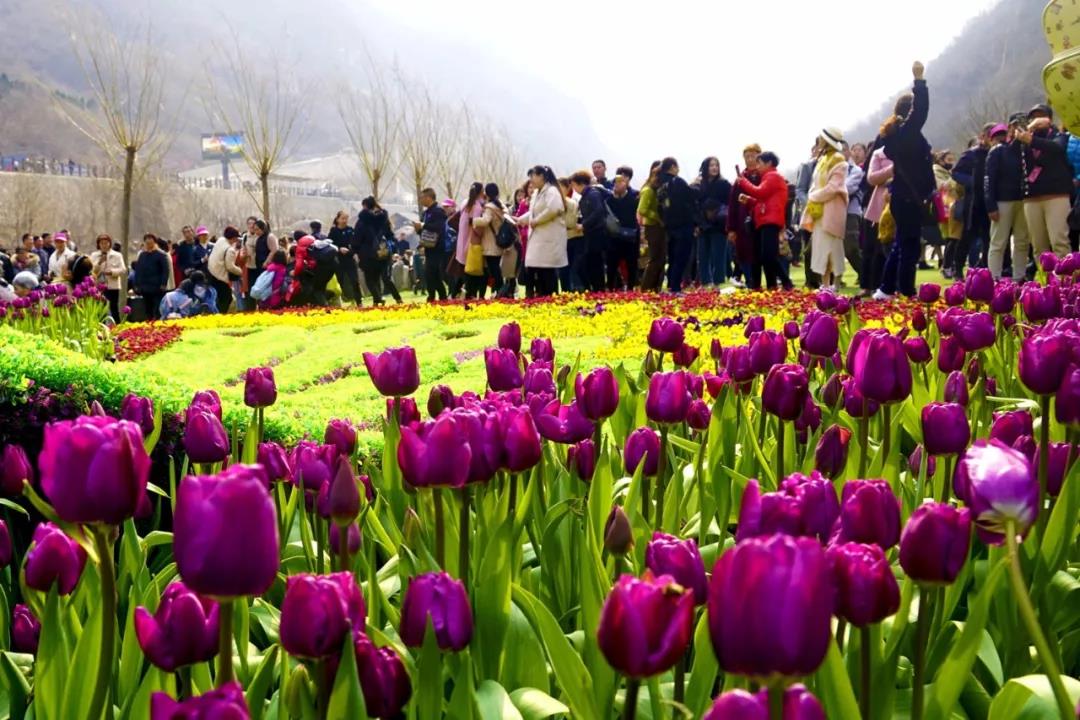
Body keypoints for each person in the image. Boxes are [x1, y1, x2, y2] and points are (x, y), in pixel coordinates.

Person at [875, 61, 934, 300]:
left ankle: (886, 289)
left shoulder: (895, 136)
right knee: (909, 246)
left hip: (902, 195)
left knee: (901, 244)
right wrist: (919, 81)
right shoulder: (907, 133)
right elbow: (921, 111)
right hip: (909, 198)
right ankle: (906, 290)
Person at [1015, 104, 1074, 258]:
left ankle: (1066, 280)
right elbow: (1010, 152)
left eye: (1042, 115)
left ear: (1050, 119)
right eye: (1034, 117)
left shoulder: (1058, 135)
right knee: (1038, 247)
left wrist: (1032, 140)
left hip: (1056, 196)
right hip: (1031, 198)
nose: (1038, 119)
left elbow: (1057, 148)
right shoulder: (1023, 138)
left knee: (1059, 242)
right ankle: (1044, 281)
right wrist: (1028, 131)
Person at [736, 151, 793, 290]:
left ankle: (785, 282)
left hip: (770, 220)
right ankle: (773, 285)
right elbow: (763, 198)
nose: (757, 166)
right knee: (766, 256)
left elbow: (760, 192)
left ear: (769, 163)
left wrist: (743, 181)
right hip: (766, 219)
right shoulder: (770, 177)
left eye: (759, 163)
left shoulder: (772, 176)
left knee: (768, 256)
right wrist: (749, 200)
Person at [802, 129, 850, 291]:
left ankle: (835, 284)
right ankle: (825, 283)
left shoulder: (839, 160)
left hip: (832, 209)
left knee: (834, 247)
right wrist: (813, 196)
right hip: (819, 211)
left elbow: (833, 188)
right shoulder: (823, 159)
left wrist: (814, 197)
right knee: (821, 246)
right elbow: (815, 184)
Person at [984, 122, 1029, 281]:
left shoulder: (1020, 149)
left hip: (1020, 200)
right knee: (999, 242)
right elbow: (989, 179)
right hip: (1002, 202)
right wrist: (991, 205)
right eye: (998, 135)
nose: (1000, 138)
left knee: (1021, 241)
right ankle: (994, 278)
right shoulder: (996, 152)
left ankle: (1019, 277)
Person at [515, 165, 567, 297]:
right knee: (537, 269)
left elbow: (553, 209)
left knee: (547, 270)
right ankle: (541, 297)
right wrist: (520, 219)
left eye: (533, 176)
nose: (531, 180)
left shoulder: (552, 191)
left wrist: (537, 221)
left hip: (549, 238)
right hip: (539, 239)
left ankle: (551, 296)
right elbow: (533, 212)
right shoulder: (537, 193)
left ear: (542, 176)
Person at [950, 124, 993, 276]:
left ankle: (987, 269)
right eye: (989, 135)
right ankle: (957, 268)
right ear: (983, 136)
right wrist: (973, 181)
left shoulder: (997, 152)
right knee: (967, 237)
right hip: (973, 202)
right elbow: (955, 173)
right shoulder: (971, 154)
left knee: (989, 237)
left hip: (991, 202)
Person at [655, 157, 695, 293]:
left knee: (672, 257)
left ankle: (671, 285)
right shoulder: (677, 181)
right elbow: (690, 198)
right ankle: (676, 287)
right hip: (683, 225)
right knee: (681, 257)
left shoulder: (660, 184)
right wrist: (694, 185)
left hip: (669, 226)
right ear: (673, 167)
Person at [356, 196, 402, 305]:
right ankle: (396, 299)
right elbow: (390, 236)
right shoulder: (383, 218)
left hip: (369, 254)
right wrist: (392, 248)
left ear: (365, 207)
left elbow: (357, 238)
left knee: (371, 279)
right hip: (383, 252)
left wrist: (356, 250)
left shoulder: (363, 221)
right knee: (385, 278)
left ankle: (378, 300)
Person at [694, 156, 732, 287]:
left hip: (719, 225)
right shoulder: (699, 184)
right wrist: (697, 223)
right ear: (705, 168)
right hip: (703, 225)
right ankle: (705, 283)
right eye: (711, 165)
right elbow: (695, 205)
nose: (714, 168)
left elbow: (730, 205)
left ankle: (718, 282)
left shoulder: (724, 184)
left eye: (716, 165)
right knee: (703, 257)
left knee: (718, 257)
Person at [862, 145, 895, 293]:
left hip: (903, 202)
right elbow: (872, 178)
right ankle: (869, 285)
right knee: (873, 248)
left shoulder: (910, 149)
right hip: (880, 205)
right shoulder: (878, 154)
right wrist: (892, 170)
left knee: (898, 248)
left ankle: (896, 286)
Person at [729, 145, 762, 288]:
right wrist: (731, 228)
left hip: (761, 219)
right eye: (747, 156)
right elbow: (732, 205)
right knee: (743, 253)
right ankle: (749, 281)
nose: (750, 159)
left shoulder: (764, 176)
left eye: (753, 156)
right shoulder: (739, 180)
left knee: (760, 252)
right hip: (743, 222)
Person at [574, 170, 612, 292]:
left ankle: (598, 289)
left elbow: (598, 212)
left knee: (595, 263)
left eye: (574, 185)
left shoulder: (593, 194)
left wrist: (584, 224)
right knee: (589, 263)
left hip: (597, 234)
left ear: (580, 183)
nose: (574, 189)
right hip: (590, 234)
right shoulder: (585, 196)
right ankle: (594, 288)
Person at [472, 182, 511, 297]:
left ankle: (501, 291)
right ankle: (501, 291)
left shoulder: (489, 207)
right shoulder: (501, 206)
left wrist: (474, 220)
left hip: (490, 243)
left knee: (494, 270)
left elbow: (485, 221)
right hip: (499, 240)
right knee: (496, 269)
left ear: (486, 193)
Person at [414, 189, 449, 302]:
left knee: (433, 273)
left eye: (422, 197)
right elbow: (424, 230)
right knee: (431, 274)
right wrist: (418, 229)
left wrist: (423, 225)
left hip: (438, 248)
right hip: (428, 247)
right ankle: (436, 297)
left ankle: (438, 297)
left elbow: (438, 227)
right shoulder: (425, 213)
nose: (421, 200)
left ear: (429, 197)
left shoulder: (438, 211)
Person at [607, 173, 640, 290]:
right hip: (614, 237)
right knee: (611, 264)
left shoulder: (634, 198)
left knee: (632, 264)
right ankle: (611, 288)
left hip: (630, 237)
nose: (618, 185)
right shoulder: (609, 200)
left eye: (621, 182)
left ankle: (631, 287)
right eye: (616, 183)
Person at [638, 160, 667, 291]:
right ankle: (646, 288)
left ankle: (656, 288)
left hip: (660, 228)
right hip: (653, 227)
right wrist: (657, 217)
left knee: (661, 260)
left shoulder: (659, 190)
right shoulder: (648, 190)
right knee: (655, 259)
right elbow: (642, 209)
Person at [132, 233, 172, 320]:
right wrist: (136, 285)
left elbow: (165, 270)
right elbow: (138, 271)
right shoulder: (142, 255)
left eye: (150, 239)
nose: (148, 241)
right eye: (146, 239)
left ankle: (158, 322)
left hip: (157, 286)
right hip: (145, 286)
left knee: (157, 308)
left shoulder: (161, 255)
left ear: (154, 241)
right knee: (147, 308)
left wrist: (163, 283)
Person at [458, 183, 487, 299]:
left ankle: (465, 293)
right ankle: (471, 295)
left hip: (462, 241)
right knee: (473, 272)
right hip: (472, 243)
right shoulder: (477, 207)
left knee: (466, 271)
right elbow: (476, 224)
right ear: (481, 192)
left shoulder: (465, 204)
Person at [329, 210, 363, 306]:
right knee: (340, 281)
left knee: (354, 281)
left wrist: (351, 251)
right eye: (342, 218)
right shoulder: (333, 231)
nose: (345, 221)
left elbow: (356, 244)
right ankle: (342, 301)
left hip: (349, 259)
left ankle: (359, 302)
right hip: (338, 260)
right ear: (337, 219)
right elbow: (330, 244)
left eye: (346, 218)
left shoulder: (350, 230)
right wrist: (339, 249)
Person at [844, 143, 866, 287]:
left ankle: (866, 275)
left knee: (851, 248)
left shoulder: (856, 170)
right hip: (832, 213)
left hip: (851, 213)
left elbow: (847, 188)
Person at [557, 178, 584, 293]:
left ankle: (576, 290)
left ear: (568, 188)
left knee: (573, 267)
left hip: (573, 238)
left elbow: (571, 222)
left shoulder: (573, 202)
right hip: (559, 240)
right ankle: (565, 291)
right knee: (562, 269)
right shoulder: (553, 202)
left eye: (560, 186)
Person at [90, 233, 126, 320]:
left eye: (106, 243)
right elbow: (91, 270)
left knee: (113, 307)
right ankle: (101, 327)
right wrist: (99, 262)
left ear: (110, 243)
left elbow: (123, 269)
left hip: (112, 285)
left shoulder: (117, 255)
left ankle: (117, 327)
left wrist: (112, 272)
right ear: (98, 244)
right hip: (99, 286)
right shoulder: (94, 255)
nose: (104, 245)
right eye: (102, 243)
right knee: (100, 308)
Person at [208, 226, 238, 313]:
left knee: (218, 298)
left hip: (212, 274)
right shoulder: (230, 250)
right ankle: (221, 316)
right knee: (227, 298)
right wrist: (239, 271)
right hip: (220, 277)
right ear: (233, 238)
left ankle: (218, 314)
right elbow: (230, 267)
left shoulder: (220, 241)